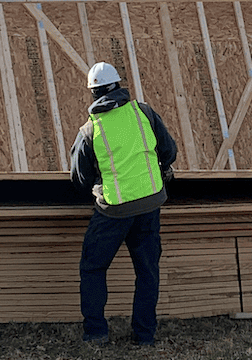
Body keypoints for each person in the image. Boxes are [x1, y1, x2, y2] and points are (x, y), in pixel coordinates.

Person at [70, 61, 177, 346]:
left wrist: (99, 186)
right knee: (147, 271)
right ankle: (144, 336)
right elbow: (169, 151)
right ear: (119, 85)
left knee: (92, 269)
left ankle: (96, 333)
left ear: (93, 94)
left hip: (114, 210)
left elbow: (79, 177)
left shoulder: (90, 130)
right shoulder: (143, 112)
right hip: (150, 203)